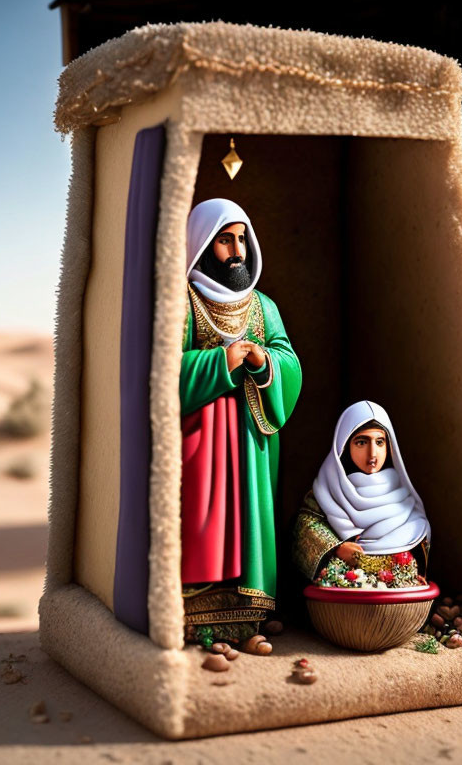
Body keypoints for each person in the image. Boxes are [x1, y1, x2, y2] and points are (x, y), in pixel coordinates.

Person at [180, 198, 302, 649]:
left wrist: (264, 359)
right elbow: (160, 372)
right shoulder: (183, 301)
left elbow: (289, 362)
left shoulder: (262, 306)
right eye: (225, 241)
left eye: (241, 240)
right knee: (203, 521)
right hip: (199, 443)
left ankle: (249, 609)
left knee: (247, 516)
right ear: (205, 245)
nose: (237, 252)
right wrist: (219, 361)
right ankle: (195, 608)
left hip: (250, 443)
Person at [292, 400, 430, 586]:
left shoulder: (401, 493)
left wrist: (407, 569)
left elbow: (417, 534)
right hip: (345, 583)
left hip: (396, 584)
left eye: (380, 442)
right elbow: (305, 527)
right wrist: (337, 549)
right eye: (361, 442)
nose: (372, 453)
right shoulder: (328, 489)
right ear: (345, 445)